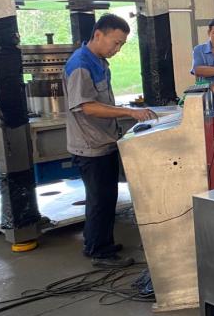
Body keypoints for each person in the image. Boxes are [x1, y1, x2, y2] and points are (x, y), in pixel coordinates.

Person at [64, 14, 157, 268]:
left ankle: (98, 242)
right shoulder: (81, 64)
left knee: (106, 197)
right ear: (98, 35)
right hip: (90, 145)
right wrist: (129, 112)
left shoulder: (98, 61)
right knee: (100, 199)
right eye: (115, 43)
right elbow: (87, 107)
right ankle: (99, 251)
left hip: (103, 141)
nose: (117, 49)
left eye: (121, 45)